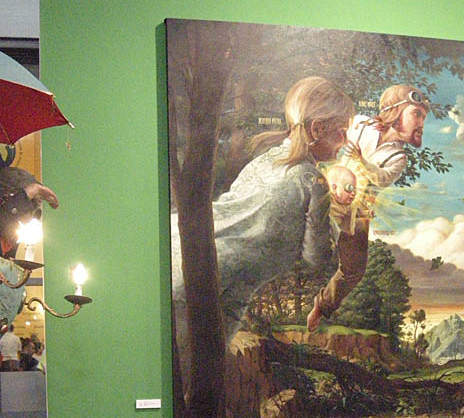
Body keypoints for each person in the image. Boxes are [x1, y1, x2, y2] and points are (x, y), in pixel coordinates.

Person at [172, 76, 355, 371]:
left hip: (198, 267)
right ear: (317, 129)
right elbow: (317, 257)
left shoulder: (264, 160)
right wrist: (338, 222)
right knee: (190, 369)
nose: (345, 143)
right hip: (209, 284)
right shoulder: (313, 180)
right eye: (341, 132)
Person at [307, 84, 429, 331]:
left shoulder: (398, 157)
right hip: (328, 191)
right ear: (395, 111)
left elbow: (382, 178)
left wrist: (361, 161)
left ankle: (322, 306)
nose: (421, 123)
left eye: (424, 118)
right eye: (416, 114)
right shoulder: (361, 124)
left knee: (354, 270)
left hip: (358, 210)